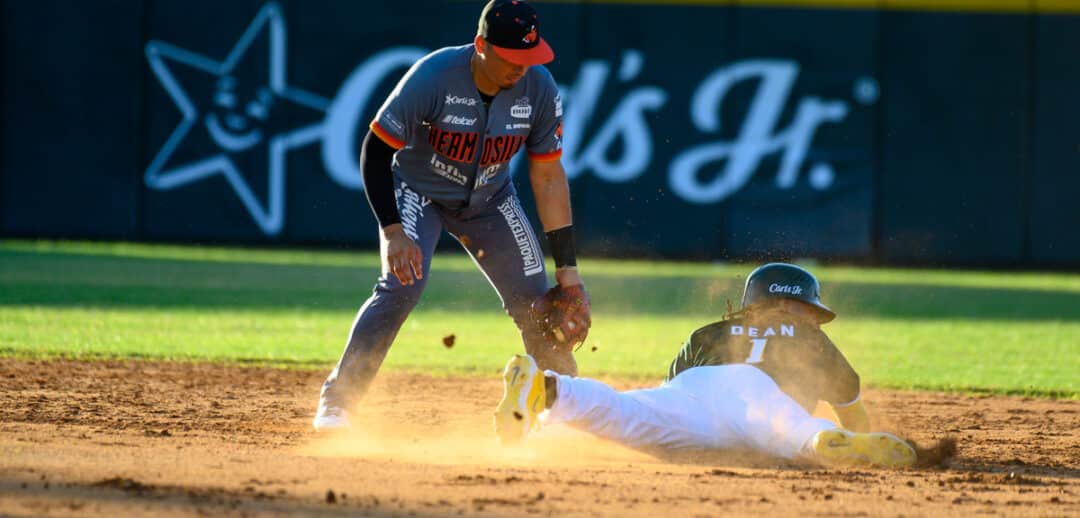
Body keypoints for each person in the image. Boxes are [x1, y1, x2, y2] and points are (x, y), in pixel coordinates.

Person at [314, 0, 591, 432]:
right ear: (481, 45)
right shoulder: (434, 76)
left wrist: (568, 271)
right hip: (419, 191)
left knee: (540, 304)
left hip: (491, 198)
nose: (522, 67)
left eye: (529, 57)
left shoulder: (538, 88)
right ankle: (339, 402)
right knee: (401, 286)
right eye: (512, 57)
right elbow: (376, 149)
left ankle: (569, 411)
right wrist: (393, 231)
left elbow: (549, 177)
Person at [493, 263, 919, 468]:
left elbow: (672, 386)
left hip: (693, 390)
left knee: (629, 413)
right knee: (788, 429)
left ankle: (549, 389)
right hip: (756, 396)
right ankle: (825, 442)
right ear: (795, 306)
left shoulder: (710, 332)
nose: (809, 317)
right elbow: (853, 409)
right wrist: (858, 434)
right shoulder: (811, 338)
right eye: (807, 309)